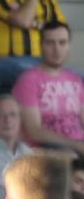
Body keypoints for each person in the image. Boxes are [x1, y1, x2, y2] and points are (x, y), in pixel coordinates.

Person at [13, 22, 84, 156]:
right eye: (50, 43)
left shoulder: (75, 79)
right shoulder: (28, 80)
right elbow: (34, 131)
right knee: (70, 156)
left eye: (62, 43)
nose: (57, 49)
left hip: (79, 145)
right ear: (41, 46)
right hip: (45, 149)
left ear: (69, 46)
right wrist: (75, 144)